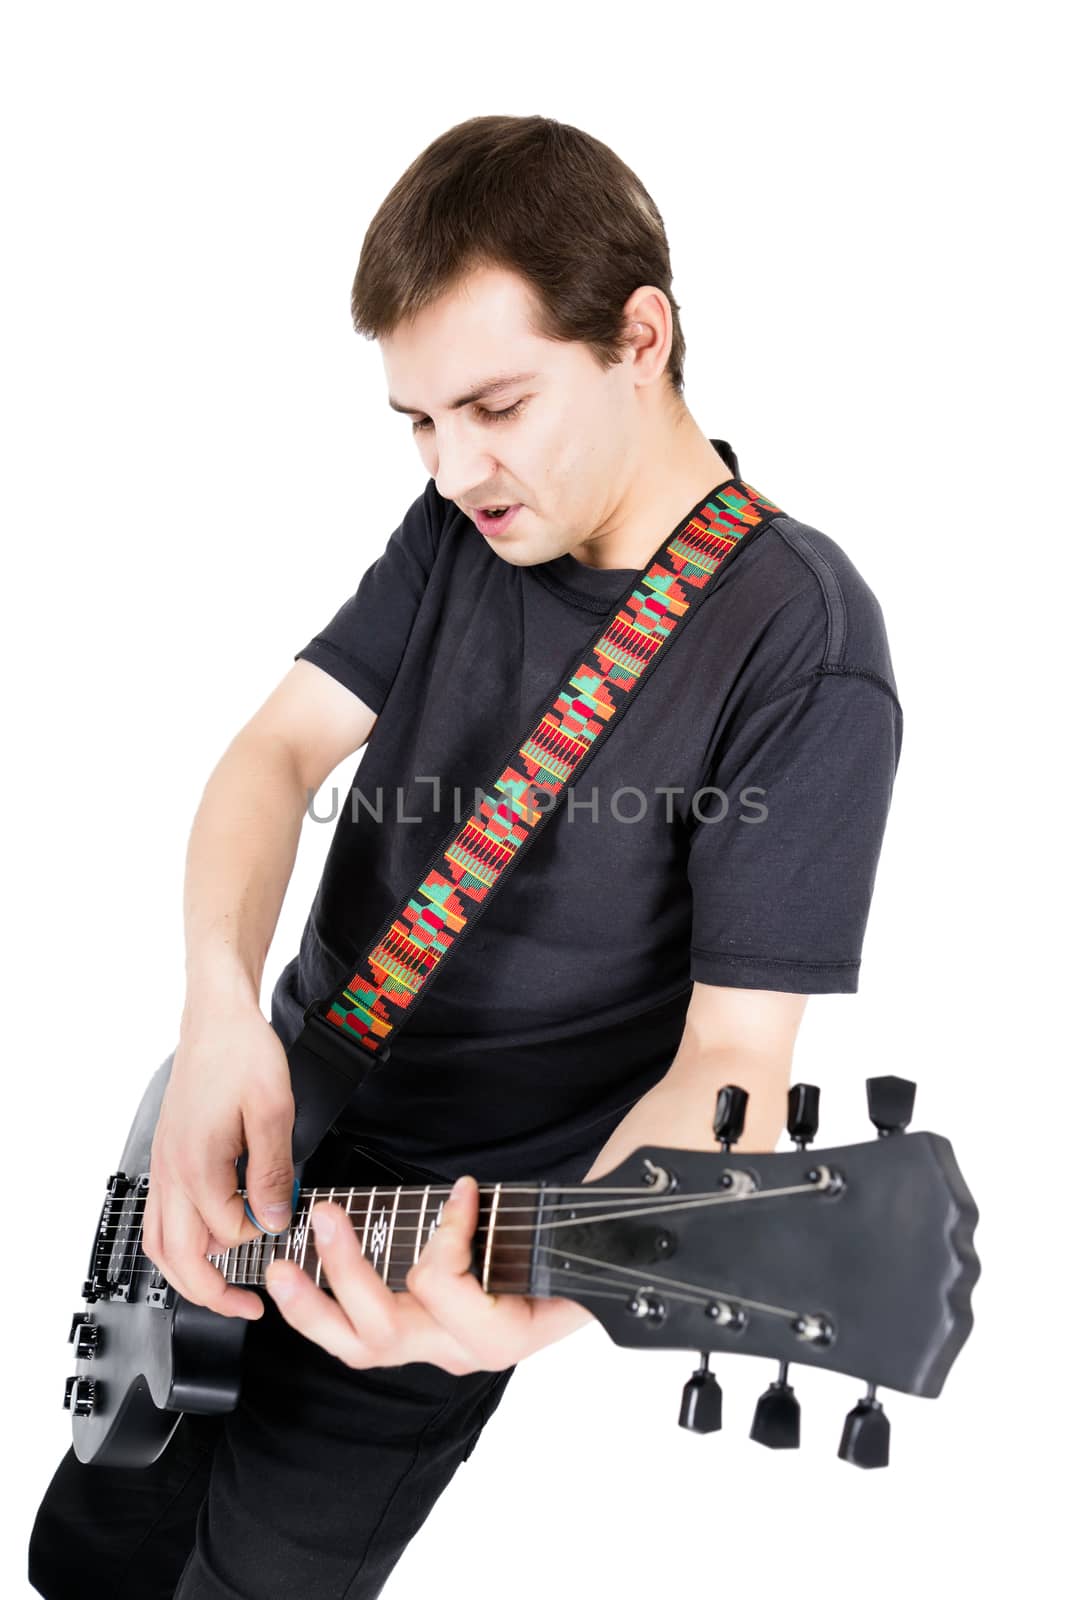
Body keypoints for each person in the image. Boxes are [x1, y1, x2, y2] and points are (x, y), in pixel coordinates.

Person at [29, 113, 903, 1599]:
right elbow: (274, 754)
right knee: (92, 1547)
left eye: (494, 405)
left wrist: (545, 1302)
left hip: (434, 1249)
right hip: (256, 1127)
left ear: (642, 336)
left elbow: (730, 1072)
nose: (453, 468)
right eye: (418, 423)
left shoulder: (801, 646)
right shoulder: (465, 528)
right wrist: (220, 1009)